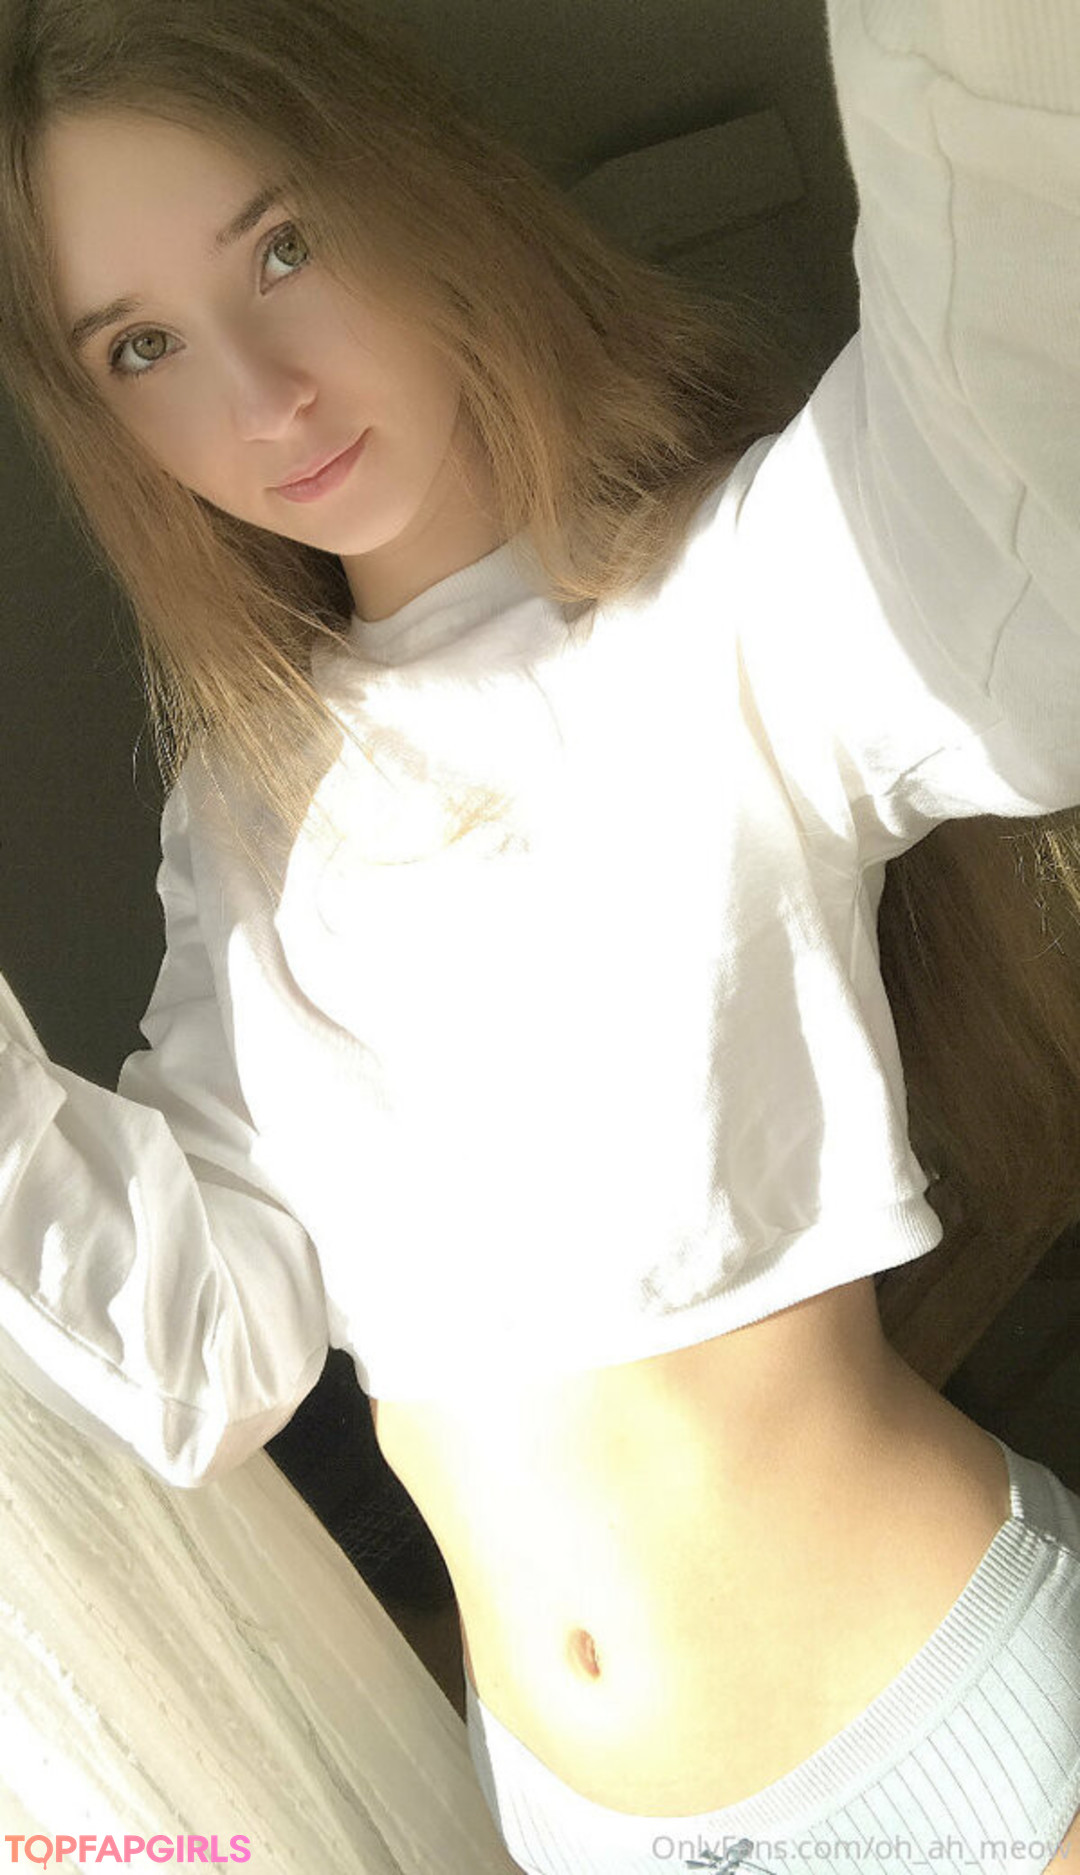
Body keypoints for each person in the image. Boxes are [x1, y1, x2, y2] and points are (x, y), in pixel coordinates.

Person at [0, 2, 1077, 1872]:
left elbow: (1015, 493)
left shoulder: (730, 603)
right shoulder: (246, 814)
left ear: (411, 188)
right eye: (143, 345)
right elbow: (215, 1349)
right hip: (567, 1823)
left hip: (951, 1758)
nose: (262, 395)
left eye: (282, 246)